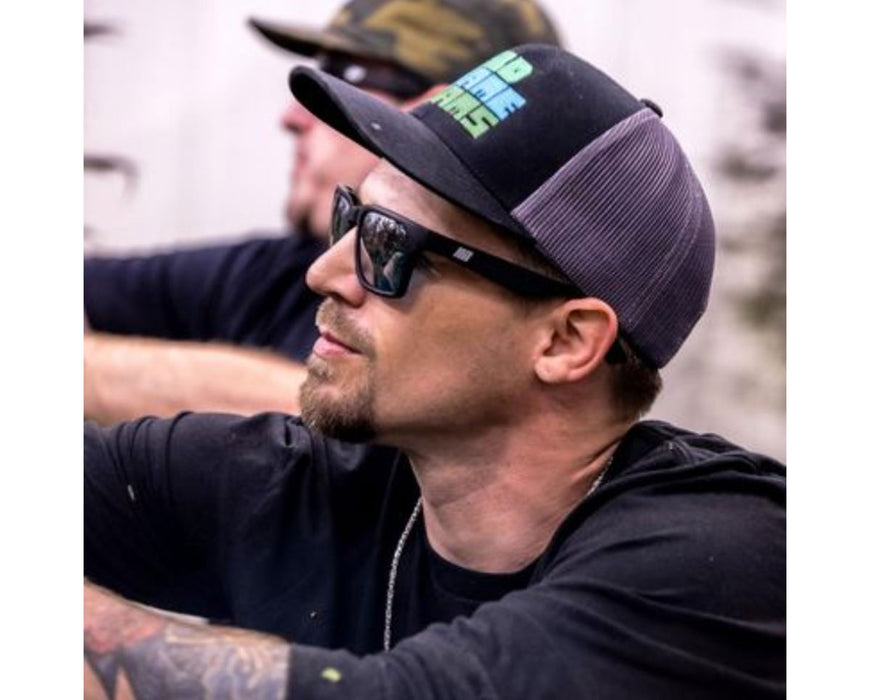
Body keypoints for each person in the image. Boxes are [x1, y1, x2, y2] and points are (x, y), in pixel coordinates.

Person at [84, 44, 786, 698]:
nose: (323, 273)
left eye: (389, 245)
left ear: (567, 341)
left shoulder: (727, 559)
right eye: (348, 218)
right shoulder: (321, 485)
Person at [83, 0, 561, 424]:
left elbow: (350, 427)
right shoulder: (286, 266)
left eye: (345, 79)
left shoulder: (476, 305)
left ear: (438, 114)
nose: (292, 118)